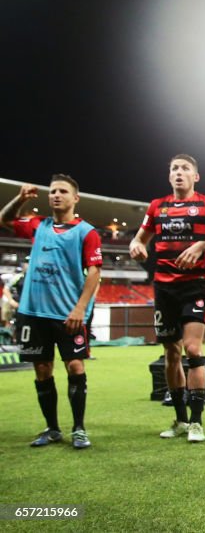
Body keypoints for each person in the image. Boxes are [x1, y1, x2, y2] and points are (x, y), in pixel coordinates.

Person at [130, 154, 205, 443]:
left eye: (185, 168)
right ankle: (180, 419)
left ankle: (197, 422)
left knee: (193, 349)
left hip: (194, 286)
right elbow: (139, 238)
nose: (179, 172)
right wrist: (135, 245)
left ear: (195, 177)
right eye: (174, 168)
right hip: (164, 289)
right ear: (169, 175)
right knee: (171, 353)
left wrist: (202, 244)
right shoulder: (157, 206)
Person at [1, 176, 102, 449]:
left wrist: (80, 308)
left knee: (75, 366)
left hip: (68, 314)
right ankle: (53, 428)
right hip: (33, 313)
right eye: (53, 191)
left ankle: (79, 428)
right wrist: (20, 199)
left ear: (75, 198)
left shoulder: (86, 232)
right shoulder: (39, 225)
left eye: (63, 191)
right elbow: (4, 219)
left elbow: (94, 271)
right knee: (42, 369)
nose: (56, 195)